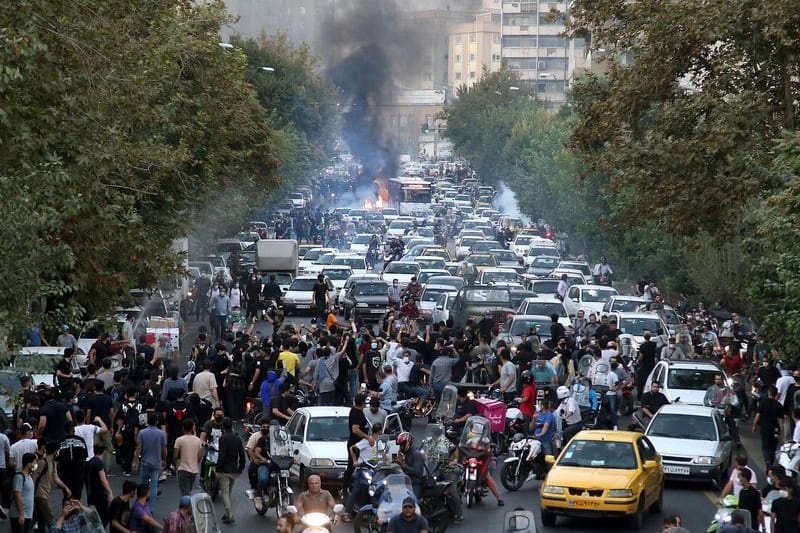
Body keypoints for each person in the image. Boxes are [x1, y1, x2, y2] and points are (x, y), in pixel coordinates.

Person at [134, 412, 167, 513]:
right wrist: (164, 459)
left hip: (145, 461)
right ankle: (151, 509)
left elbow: (139, 448)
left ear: (147, 421)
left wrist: (136, 460)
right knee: (153, 486)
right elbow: (164, 448)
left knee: (142, 484)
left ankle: (140, 504)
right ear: (157, 422)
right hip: (156, 462)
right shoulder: (161, 433)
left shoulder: (142, 432)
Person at [216, 418, 246, 525]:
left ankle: (230, 515)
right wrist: (240, 469)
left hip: (224, 470)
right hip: (234, 470)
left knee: (224, 493)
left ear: (223, 427)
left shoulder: (223, 438)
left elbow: (222, 455)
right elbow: (242, 456)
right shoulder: (237, 439)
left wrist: (218, 469)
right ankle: (227, 512)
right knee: (228, 493)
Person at [753, 385, 784, 467]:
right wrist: (782, 434)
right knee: (773, 447)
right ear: (776, 394)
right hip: (775, 429)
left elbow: (758, 415)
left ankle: (767, 461)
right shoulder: (779, 405)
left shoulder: (763, 402)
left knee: (765, 446)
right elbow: (781, 421)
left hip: (764, 428)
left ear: (768, 393)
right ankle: (771, 461)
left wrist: (754, 425)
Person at [173, 418, 202, 497]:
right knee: (188, 490)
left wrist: (175, 466)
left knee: (185, 493)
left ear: (183, 428)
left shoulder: (179, 440)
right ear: (193, 427)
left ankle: (187, 508)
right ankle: (188, 507)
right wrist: (195, 463)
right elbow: (199, 456)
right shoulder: (198, 440)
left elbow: (175, 456)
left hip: (183, 469)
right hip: (194, 470)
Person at [86, 443, 114, 526]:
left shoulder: (89, 463)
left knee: (94, 516)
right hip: (100, 493)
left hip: (91, 492)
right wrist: (109, 492)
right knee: (104, 517)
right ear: (104, 452)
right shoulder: (99, 463)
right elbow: (103, 479)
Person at [9, 452, 36, 533]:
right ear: (29, 464)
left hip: (27, 514)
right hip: (19, 515)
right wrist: (21, 514)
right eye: (34, 462)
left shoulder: (29, 476)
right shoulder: (19, 477)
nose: (36, 464)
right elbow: (17, 495)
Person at [735, 468, 763, 532]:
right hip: (742, 525)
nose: (738, 478)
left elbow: (759, 511)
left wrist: (763, 527)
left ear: (744, 478)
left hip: (751, 526)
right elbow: (739, 507)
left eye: (739, 476)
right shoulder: (742, 491)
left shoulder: (754, 493)